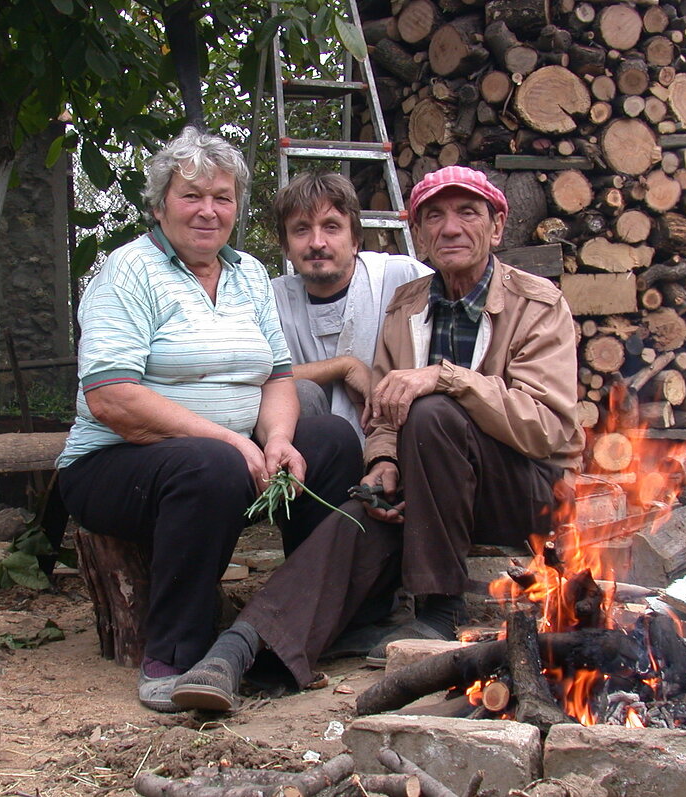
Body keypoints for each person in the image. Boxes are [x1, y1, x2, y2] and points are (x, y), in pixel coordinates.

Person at [167, 165, 584, 712]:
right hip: (438, 494)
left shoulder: (538, 302)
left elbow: (547, 425)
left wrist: (446, 377)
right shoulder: (409, 302)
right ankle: (241, 652)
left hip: (528, 492)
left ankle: (440, 608)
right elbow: (386, 412)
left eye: (468, 213)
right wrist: (383, 461)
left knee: (434, 410)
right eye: (434, 215)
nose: (450, 227)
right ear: (418, 233)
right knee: (356, 517)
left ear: (498, 227)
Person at [55, 127, 361, 714]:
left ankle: (297, 627)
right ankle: (174, 654)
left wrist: (276, 441)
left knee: (331, 441)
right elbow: (112, 398)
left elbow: (276, 376)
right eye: (190, 195)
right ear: (158, 204)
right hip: (113, 468)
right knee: (212, 464)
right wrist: (230, 440)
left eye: (222, 197)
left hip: (222, 453)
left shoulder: (247, 274)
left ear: (237, 208)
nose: (208, 210)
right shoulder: (128, 272)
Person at [270, 173, 431, 441]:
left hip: (403, 441)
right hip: (315, 456)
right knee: (299, 394)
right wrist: (344, 366)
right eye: (301, 229)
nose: (317, 242)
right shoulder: (272, 300)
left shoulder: (403, 279)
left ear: (355, 239)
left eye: (331, 227)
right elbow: (256, 378)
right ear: (286, 246)